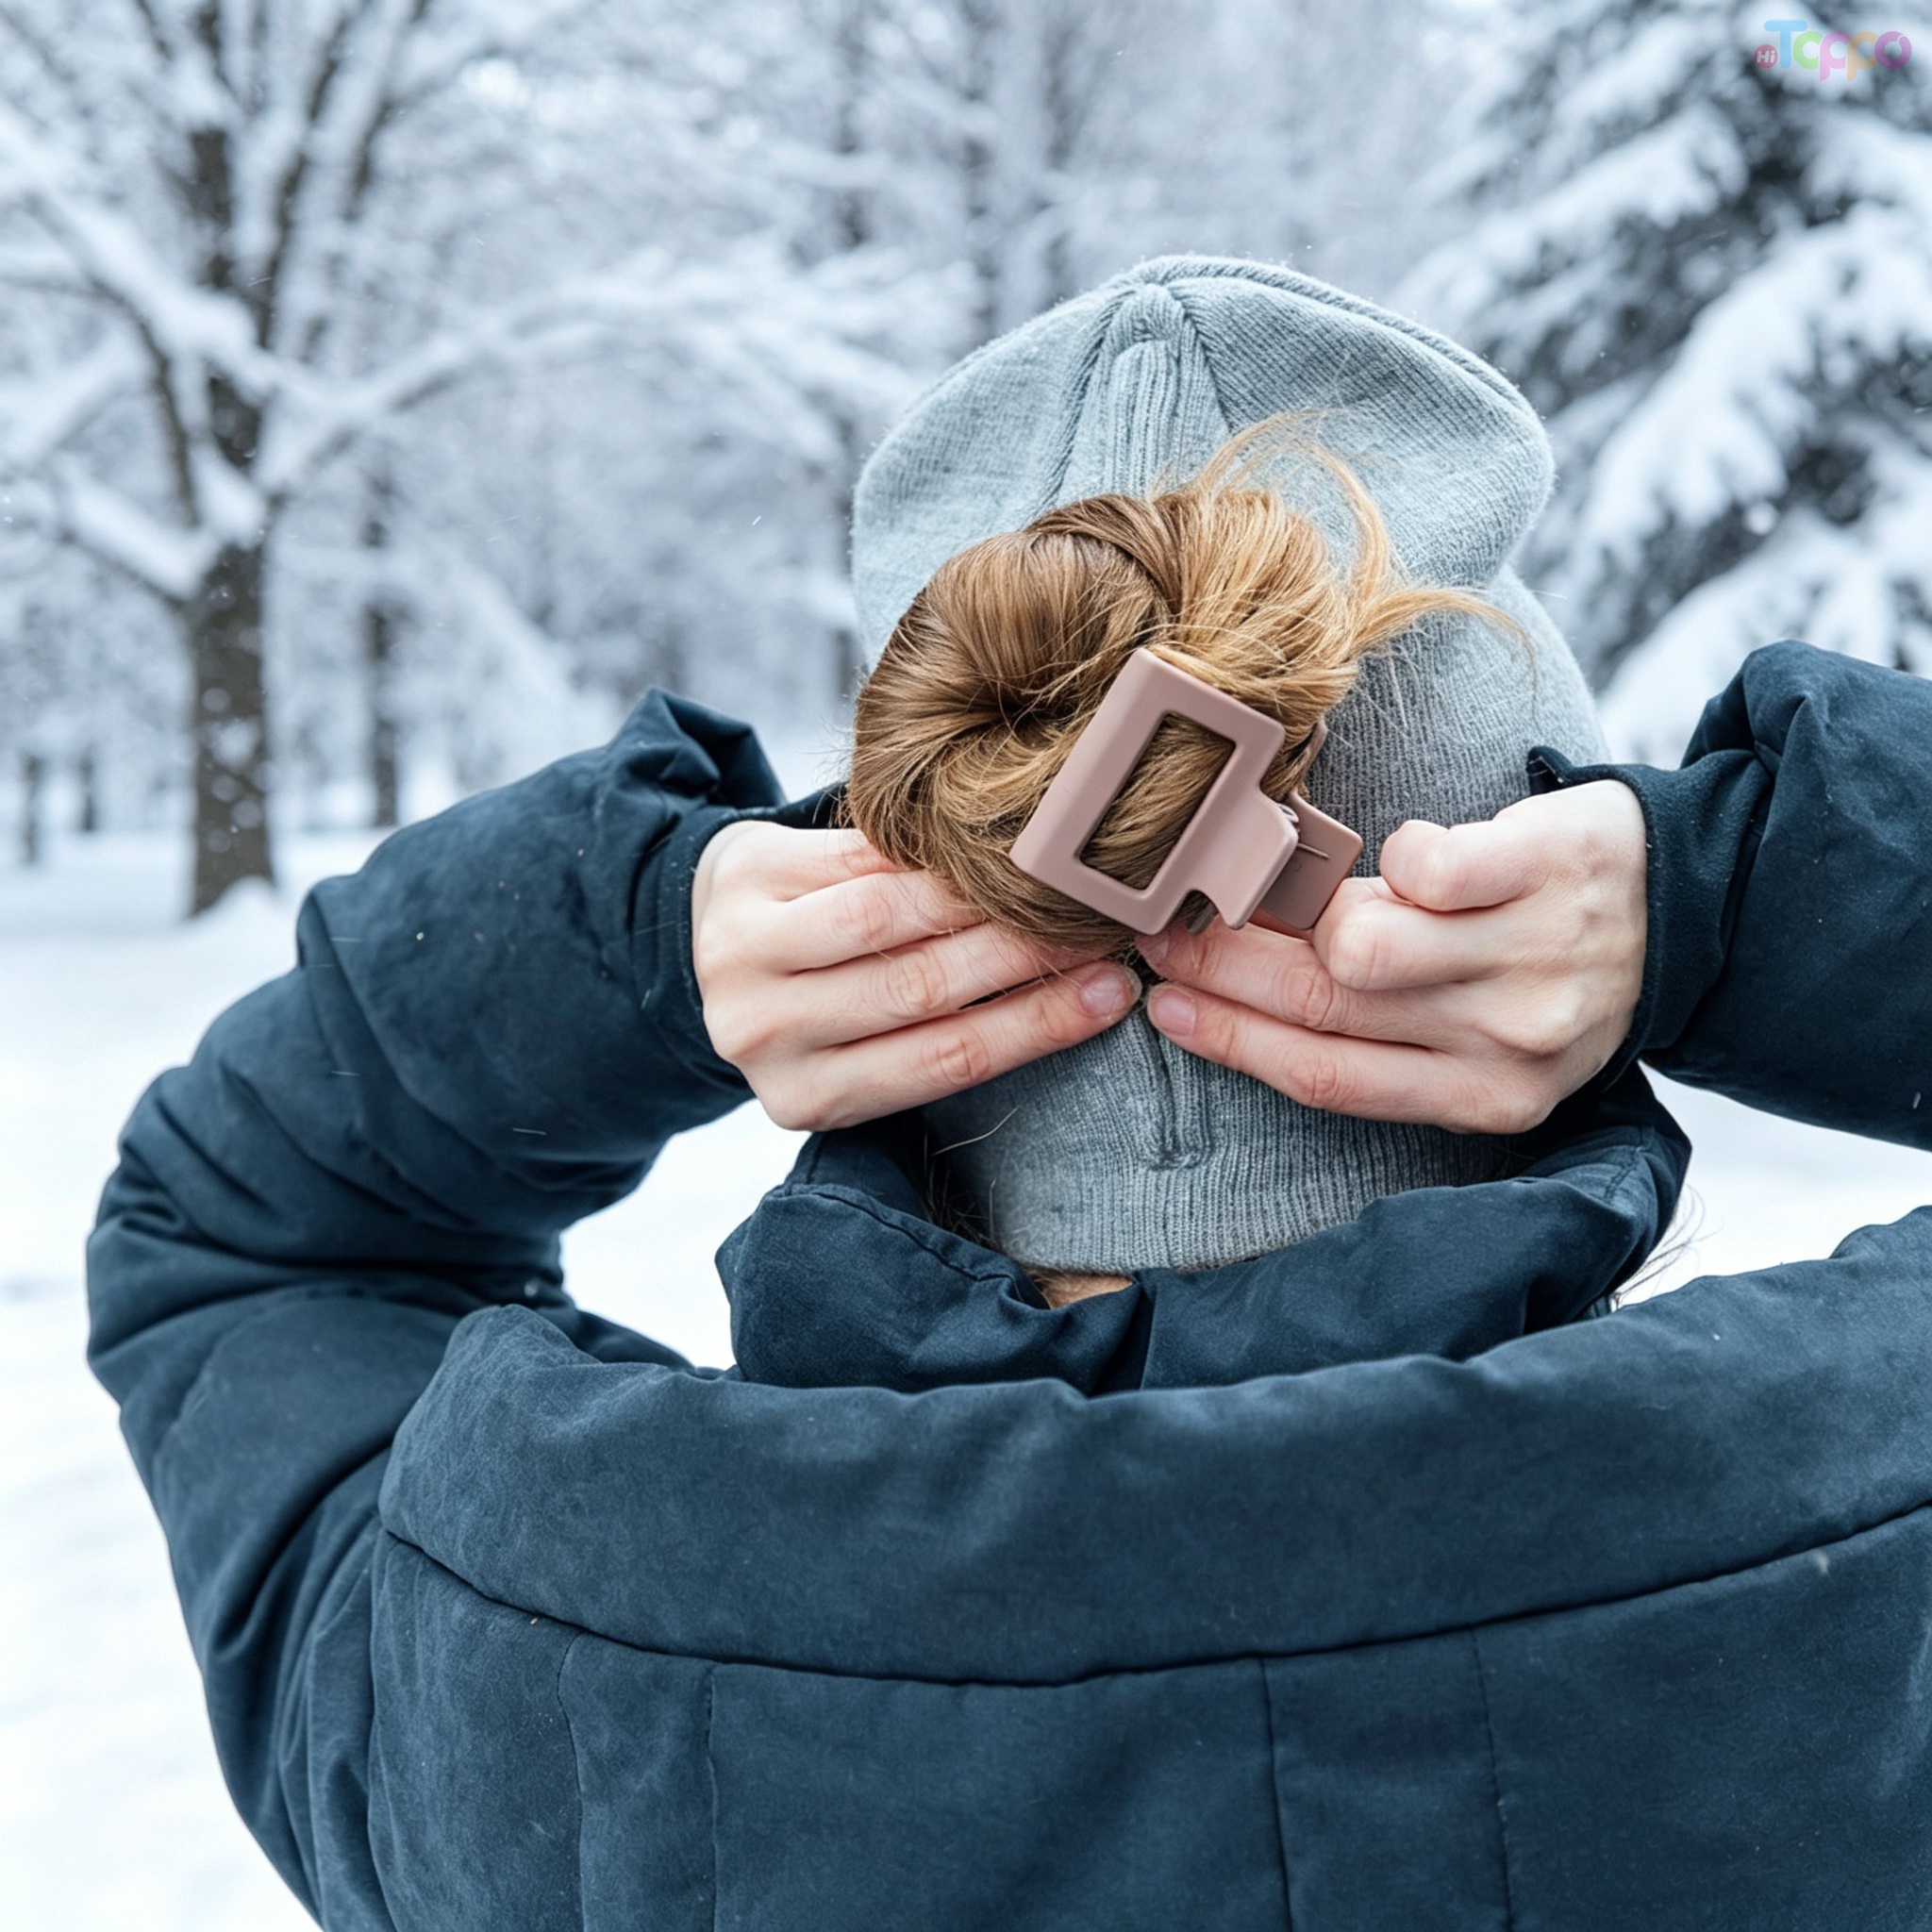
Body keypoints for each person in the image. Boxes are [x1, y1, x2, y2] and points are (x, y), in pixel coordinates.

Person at [87, 261, 1932, 1928]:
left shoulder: (519, 1645)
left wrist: (628, 940)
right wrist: (1745, 898)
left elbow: (240, 1237)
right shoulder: (1862, 1538)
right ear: (1544, 970)